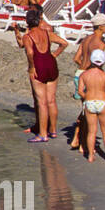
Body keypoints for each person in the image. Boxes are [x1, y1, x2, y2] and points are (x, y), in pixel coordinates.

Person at [16, 8, 67, 142]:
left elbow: (30, 53)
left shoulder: (28, 37)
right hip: (51, 64)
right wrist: (54, 54)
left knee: (42, 102)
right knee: (51, 100)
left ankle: (43, 134)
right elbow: (64, 43)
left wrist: (32, 67)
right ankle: (53, 130)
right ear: (39, 21)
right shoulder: (47, 33)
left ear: (27, 22)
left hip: (39, 66)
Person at [68, 15, 105, 151]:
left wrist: (83, 70)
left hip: (78, 74)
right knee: (90, 110)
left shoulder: (86, 39)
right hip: (88, 76)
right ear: (100, 27)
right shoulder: (100, 43)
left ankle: (79, 140)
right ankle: (80, 141)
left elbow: (76, 58)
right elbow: (96, 63)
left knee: (86, 108)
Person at [77, 49, 105, 162]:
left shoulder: (84, 75)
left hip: (89, 103)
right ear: (103, 62)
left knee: (91, 131)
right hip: (102, 103)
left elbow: (80, 91)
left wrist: (87, 97)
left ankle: (90, 155)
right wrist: (103, 98)